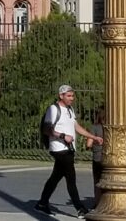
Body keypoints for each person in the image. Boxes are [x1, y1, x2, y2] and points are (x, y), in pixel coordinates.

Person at [35, 85, 103, 218]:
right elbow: (46, 129)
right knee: (71, 178)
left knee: (55, 177)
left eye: (72, 96)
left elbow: (76, 126)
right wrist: (62, 136)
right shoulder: (53, 109)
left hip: (68, 148)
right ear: (61, 96)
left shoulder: (70, 109)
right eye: (69, 96)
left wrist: (93, 137)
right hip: (59, 149)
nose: (72, 98)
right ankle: (80, 208)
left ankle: (42, 203)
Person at [88, 107, 126, 204]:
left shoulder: (111, 122)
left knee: (101, 179)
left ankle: (101, 201)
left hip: (109, 155)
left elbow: (88, 144)